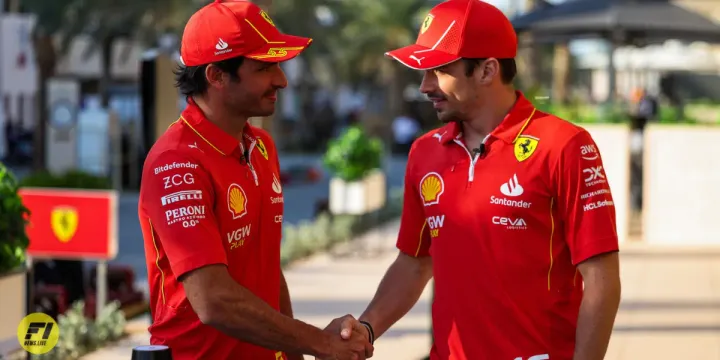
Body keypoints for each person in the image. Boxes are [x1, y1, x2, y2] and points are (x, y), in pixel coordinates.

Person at [330, 0, 622, 359]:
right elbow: (415, 261)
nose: (424, 87)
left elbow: (601, 278)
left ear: (486, 71)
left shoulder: (565, 145)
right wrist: (367, 328)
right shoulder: (424, 152)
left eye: (437, 71)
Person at [137, 1, 372, 359]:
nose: (281, 79)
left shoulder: (261, 146)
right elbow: (213, 301)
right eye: (264, 67)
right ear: (215, 76)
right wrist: (319, 342)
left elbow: (266, 269)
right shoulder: (177, 162)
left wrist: (295, 353)